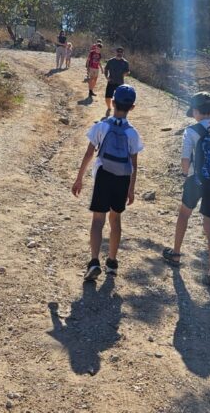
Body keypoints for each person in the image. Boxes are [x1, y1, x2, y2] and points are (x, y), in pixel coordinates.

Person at [162, 92, 210, 289]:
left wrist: (188, 174)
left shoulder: (192, 131)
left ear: (195, 111)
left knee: (184, 214)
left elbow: (185, 162)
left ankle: (176, 254)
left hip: (196, 180)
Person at [72, 85, 144, 282]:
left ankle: (94, 262)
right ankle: (112, 262)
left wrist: (79, 178)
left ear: (112, 102)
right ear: (132, 107)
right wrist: (131, 189)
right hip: (122, 178)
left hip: (103, 176)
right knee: (115, 220)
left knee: (97, 221)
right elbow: (134, 164)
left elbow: (88, 154)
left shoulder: (101, 126)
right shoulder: (132, 133)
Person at [103, 47, 130, 118]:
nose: (119, 54)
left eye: (121, 52)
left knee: (119, 98)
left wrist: (126, 73)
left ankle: (118, 111)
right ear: (116, 52)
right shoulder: (111, 61)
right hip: (111, 82)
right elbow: (106, 69)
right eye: (118, 52)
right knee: (107, 97)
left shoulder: (125, 62)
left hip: (120, 83)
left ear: (123, 53)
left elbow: (128, 71)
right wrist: (107, 77)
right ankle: (109, 108)